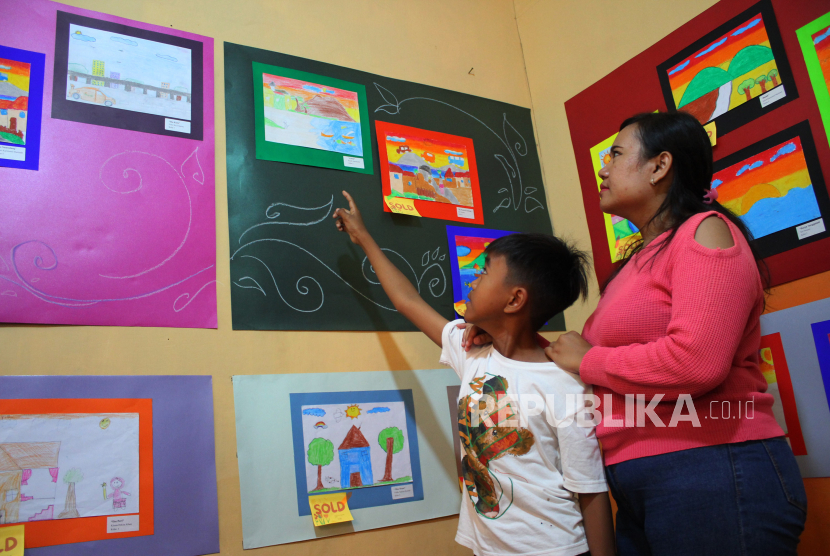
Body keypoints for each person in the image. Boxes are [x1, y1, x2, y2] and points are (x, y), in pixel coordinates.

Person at [497, 111, 805, 555]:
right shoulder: (637, 262)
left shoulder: (705, 231)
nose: (603, 168)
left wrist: (587, 359)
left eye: (617, 154)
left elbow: (695, 362)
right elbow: (607, 366)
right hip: (641, 478)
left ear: (660, 166)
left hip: (709, 468)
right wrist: (507, 343)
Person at [333, 191, 615, 556]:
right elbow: (407, 301)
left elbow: (590, 489)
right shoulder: (474, 354)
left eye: (482, 273)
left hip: (554, 548)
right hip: (488, 548)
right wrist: (364, 238)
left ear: (514, 300)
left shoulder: (564, 381)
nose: (472, 281)